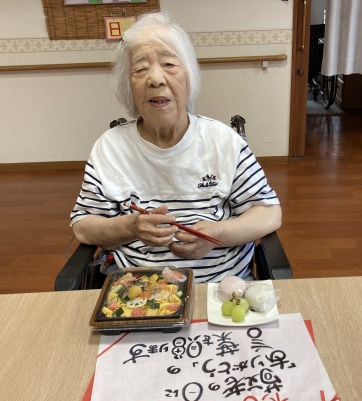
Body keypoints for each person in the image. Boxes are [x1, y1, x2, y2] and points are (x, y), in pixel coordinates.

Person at [70, 11, 282, 283]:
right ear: (128, 85)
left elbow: (268, 212)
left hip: (221, 292)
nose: (156, 79)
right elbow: (84, 227)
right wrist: (131, 227)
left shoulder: (223, 141)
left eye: (169, 64)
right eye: (140, 69)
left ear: (189, 76)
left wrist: (218, 234)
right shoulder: (110, 149)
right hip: (137, 294)